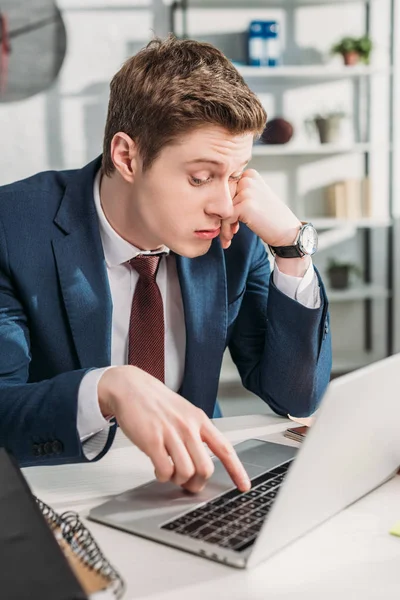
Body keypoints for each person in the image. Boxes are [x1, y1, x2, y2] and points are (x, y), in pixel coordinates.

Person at [0, 36, 331, 494]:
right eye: (200, 177)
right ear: (127, 157)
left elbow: (295, 396)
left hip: (197, 492)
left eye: (235, 175)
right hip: (57, 497)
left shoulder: (236, 233)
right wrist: (106, 389)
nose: (222, 203)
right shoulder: (12, 229)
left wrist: (293, 247)